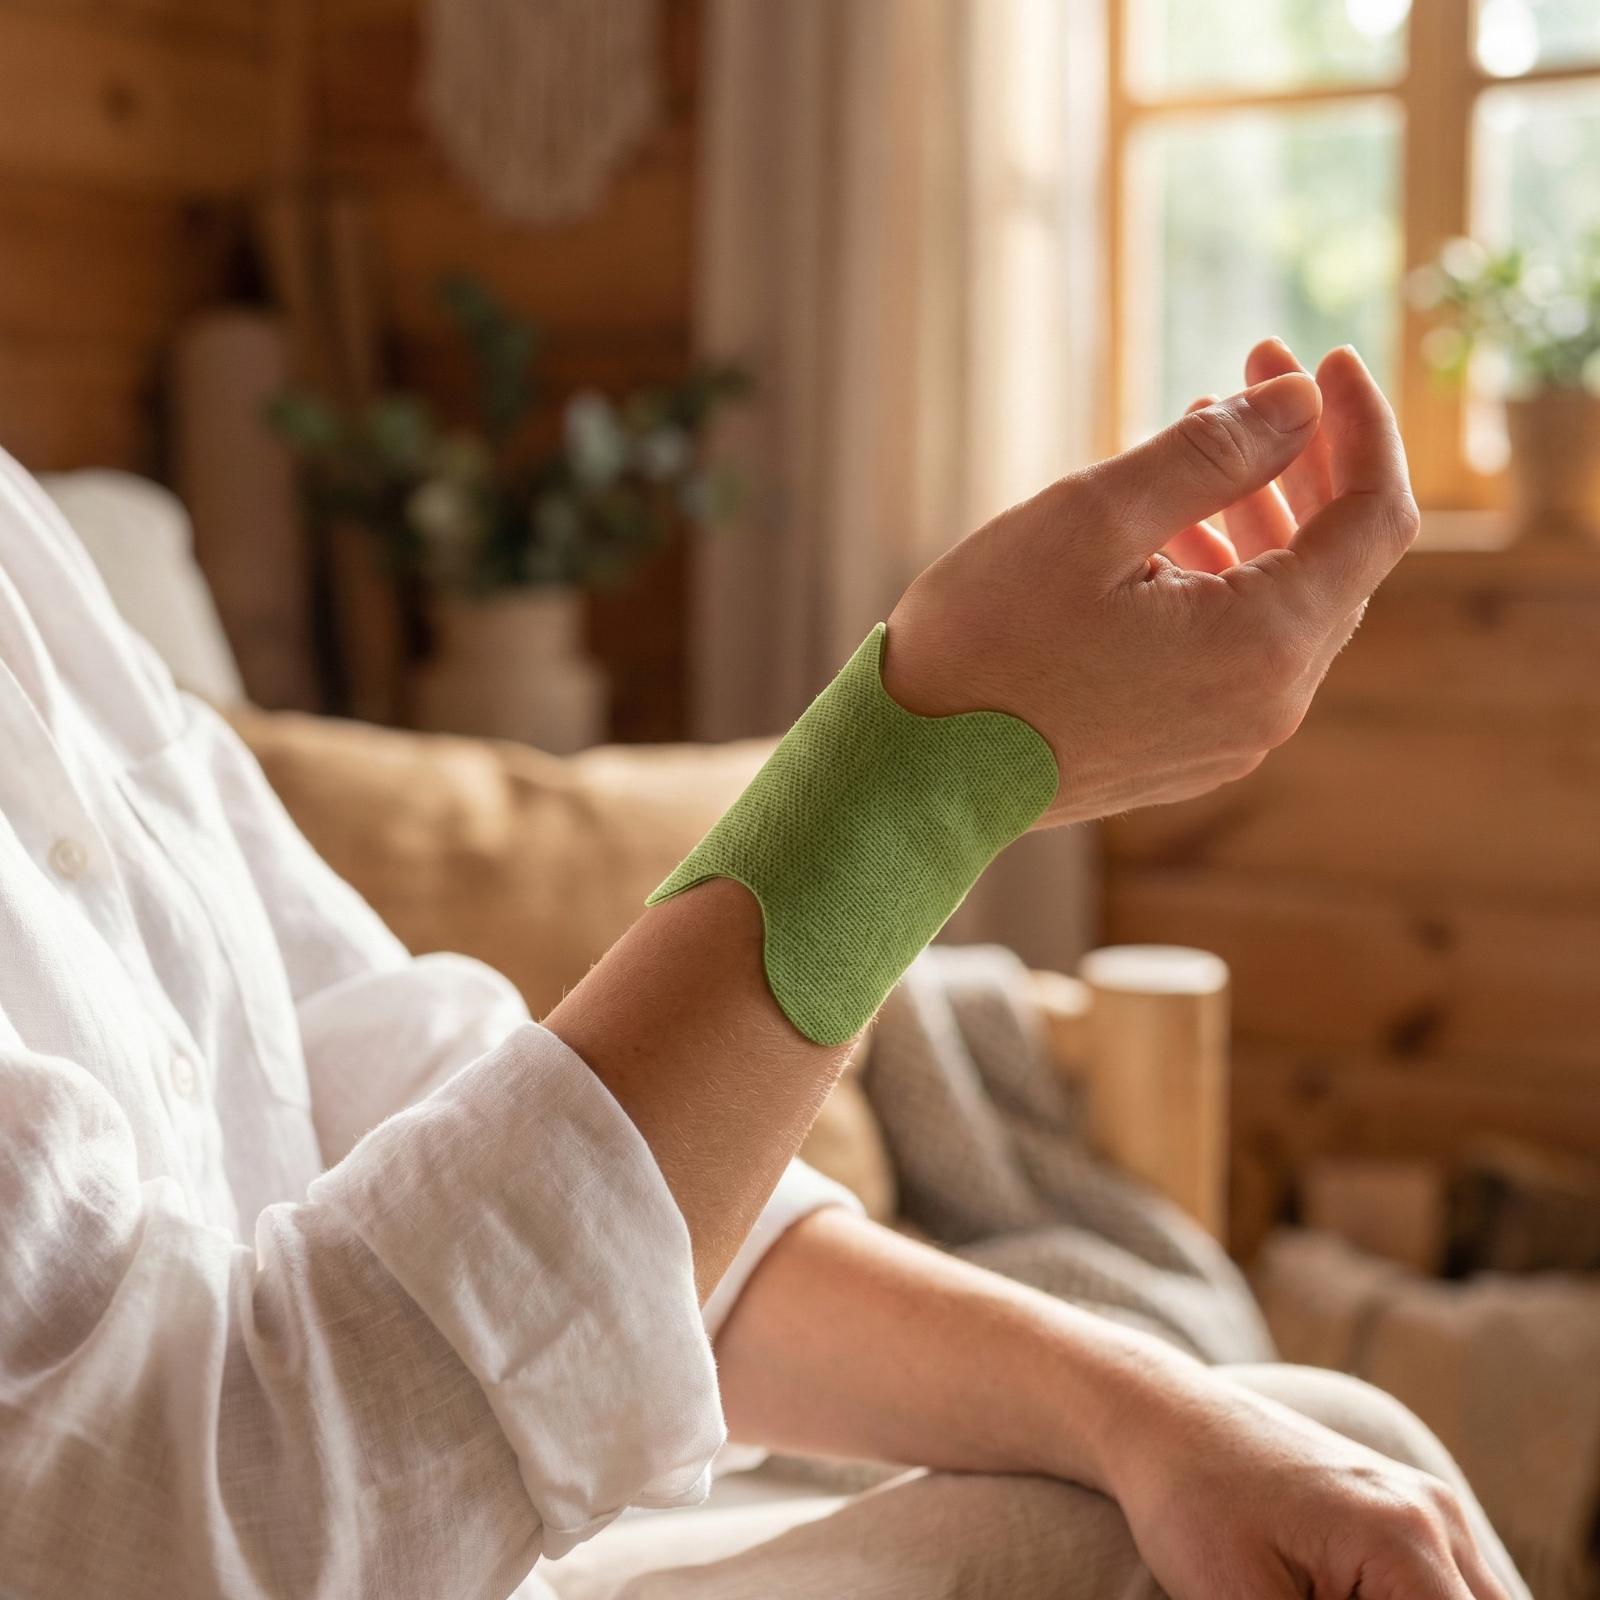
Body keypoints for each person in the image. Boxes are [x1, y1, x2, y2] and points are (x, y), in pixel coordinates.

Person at [0, 338, 1526, 1600]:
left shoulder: (33, 566)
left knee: (1323, 1460)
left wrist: (1153, 1416)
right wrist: (921, 778)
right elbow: (206, 1525)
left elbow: (540, 1199)